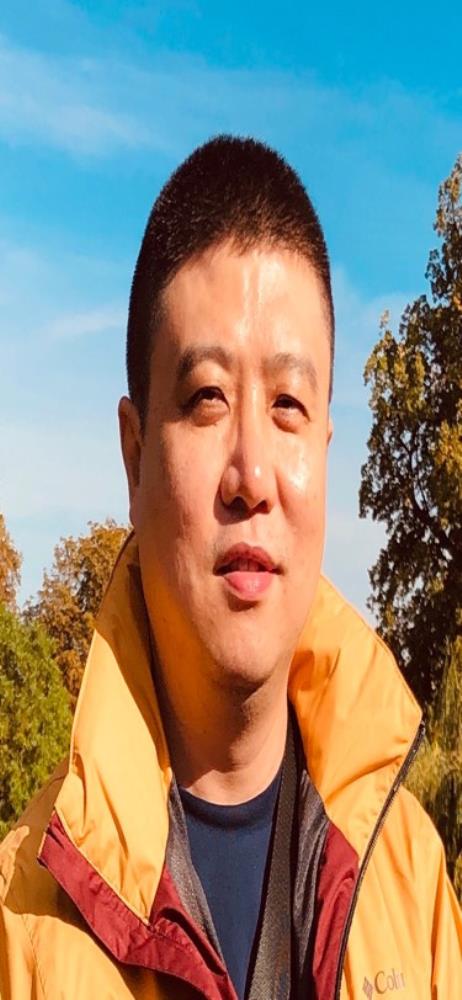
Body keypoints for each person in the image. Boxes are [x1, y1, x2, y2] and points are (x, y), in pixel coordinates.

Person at [0, 136, 460, 1000]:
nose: (252, 475)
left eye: (288, 404)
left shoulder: (412, 887)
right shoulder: (22, 926)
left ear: (325, 451)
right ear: (135, 456)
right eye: (207, 397)